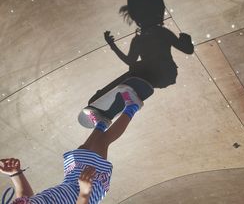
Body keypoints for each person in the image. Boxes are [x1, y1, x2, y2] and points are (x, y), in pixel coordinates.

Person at [0, 87, 143, 204]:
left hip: (71, 184)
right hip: (87, 190)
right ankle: (132, 106)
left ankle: (102, 123)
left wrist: (15, 173)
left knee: (83, 149)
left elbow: (28, 199)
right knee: (102, 142)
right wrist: (85, 192)